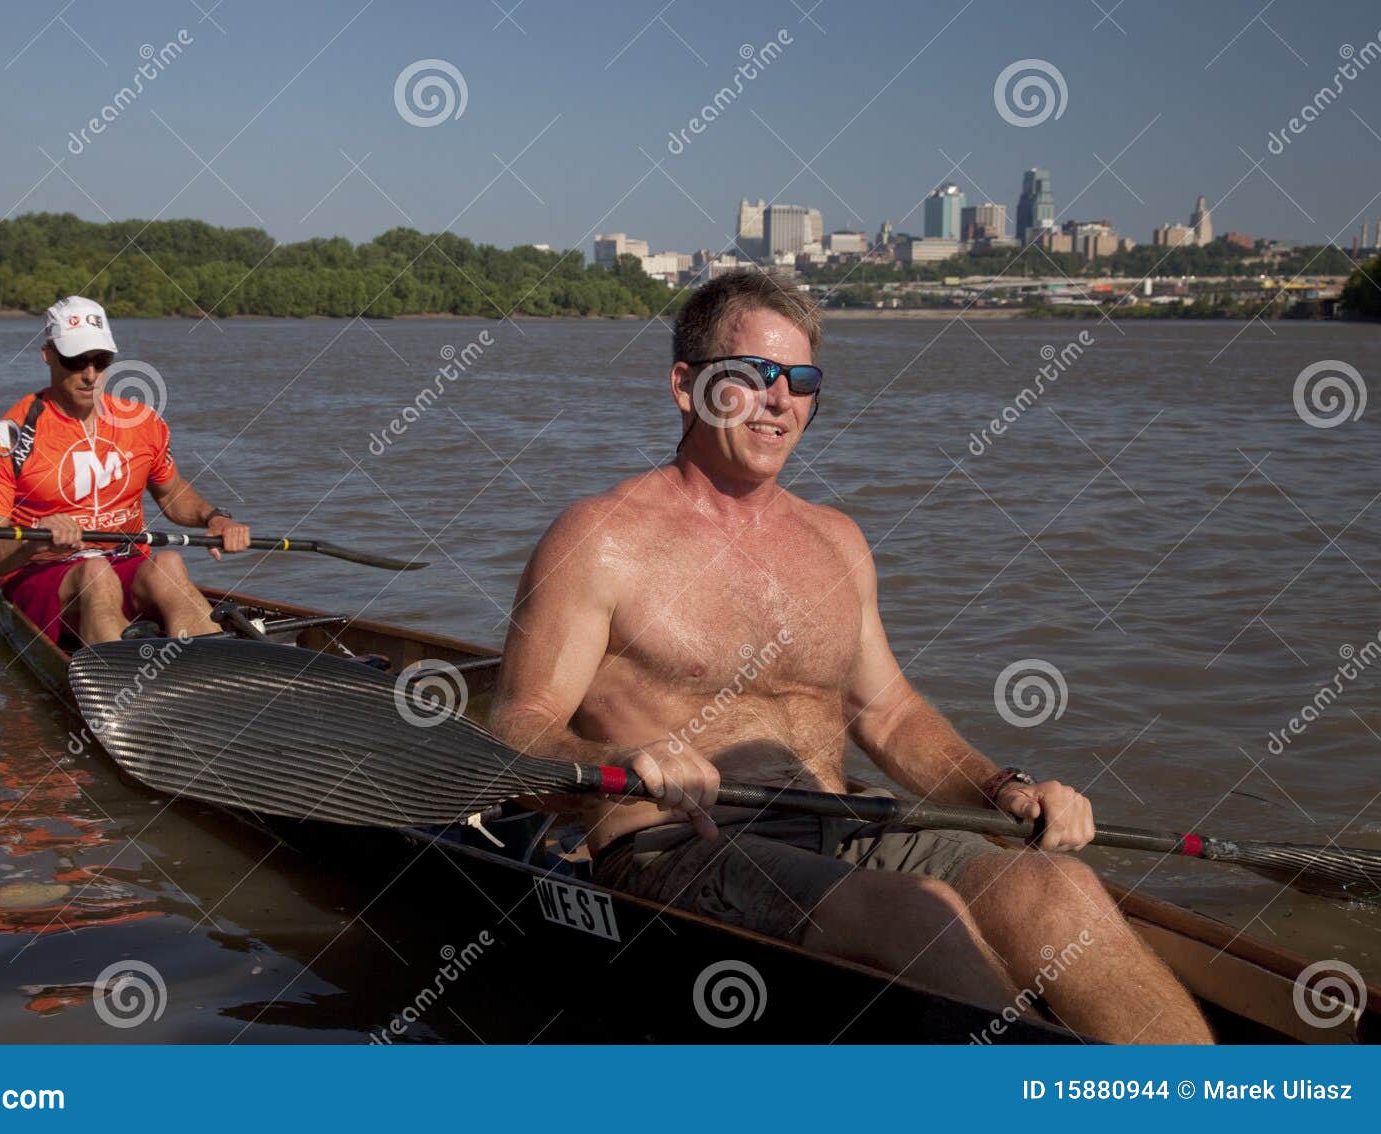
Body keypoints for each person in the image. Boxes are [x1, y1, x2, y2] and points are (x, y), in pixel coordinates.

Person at [490, 272, 1212, 1043]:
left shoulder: (836, 542)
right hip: (680, 849)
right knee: (914, 914)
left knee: (1054, 887)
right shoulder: (601, 539)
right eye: (755, 376)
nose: (780, 401)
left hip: (850, 825)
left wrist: (1004, 788)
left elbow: (891, 716)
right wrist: (623, 756)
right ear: (686, 385)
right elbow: (514, 730)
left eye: (801, 381)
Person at [0, 296, 249, 645]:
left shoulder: (142, 421)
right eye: (75, 360)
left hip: (123, 559)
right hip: (42, 574)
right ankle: (121, 687)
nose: (89, 375)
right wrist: (35, 537)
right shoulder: (9, 437)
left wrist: (215, 518)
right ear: (48, 356)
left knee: (170, 564)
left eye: (100, 361)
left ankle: (213, 670)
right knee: (96, 574)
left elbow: (171, 493)